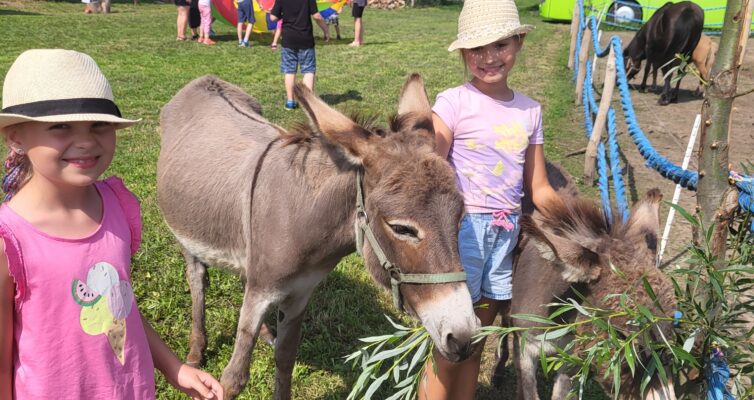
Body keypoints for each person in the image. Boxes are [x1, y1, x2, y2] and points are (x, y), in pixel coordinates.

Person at [0, 49, 224, 400]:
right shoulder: (9, 241)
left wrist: (174, 367)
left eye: (99, 124)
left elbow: (120, 307)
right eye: (61, 126)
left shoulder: (117, 206)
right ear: (16, 136)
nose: (87, 140)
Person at [418, 0, 563, 398]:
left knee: (476, 336)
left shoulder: (529, 111)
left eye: (500, 45)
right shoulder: (453, 103)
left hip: (504, 233)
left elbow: (539, 189)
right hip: (462, 231)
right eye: (477, 50)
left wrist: (574, 229)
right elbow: (432, 166)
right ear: (464, 54)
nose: (489, 58)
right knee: (449, 342)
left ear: (518, 42)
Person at [270, 0, 328, 110]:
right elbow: (317, 16)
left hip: (288, 39)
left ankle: (290, 102)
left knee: (289, 70)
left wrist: (281, 13)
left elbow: (273, 18)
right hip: (305, 39)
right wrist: (326, 30)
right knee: (308, 70)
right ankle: (308, 103)